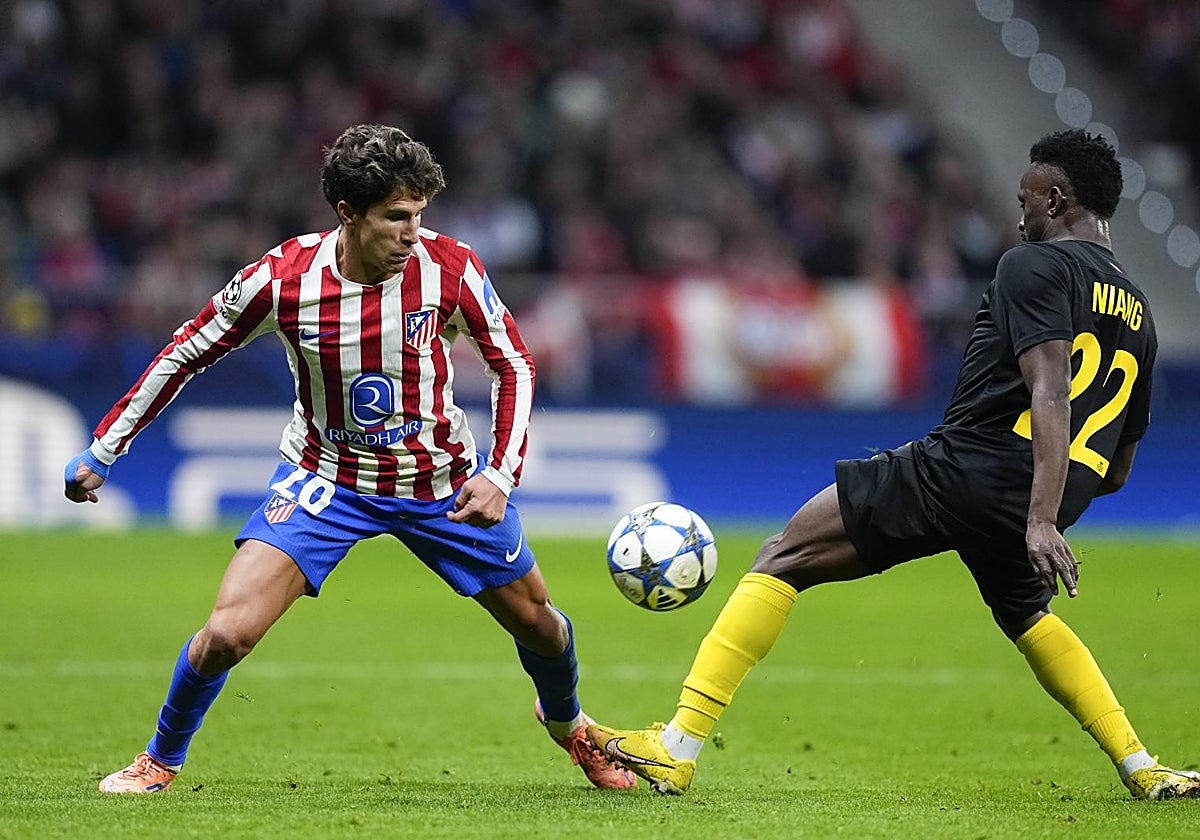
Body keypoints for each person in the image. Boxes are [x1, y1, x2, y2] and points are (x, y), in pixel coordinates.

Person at [587, 129, 1200, 801]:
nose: (1017, 210)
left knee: (782, 556)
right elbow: (1117, 470)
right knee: (1028, 617)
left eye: (1025, 197)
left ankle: (677, 748)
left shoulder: (1033, 267)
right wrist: (1045, 511)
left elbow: (1048, 385)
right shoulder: (1139, 312)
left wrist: (1037, 514)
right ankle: (1141, 766)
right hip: (1037, 494)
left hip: (972, 469)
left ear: (1056, 199)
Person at [64, 124, 634, 793]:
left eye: (419, 215)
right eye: (396, 217)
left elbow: (513, 364)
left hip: (439, 483)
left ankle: (571, 728)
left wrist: (500, 475)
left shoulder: (450, 269)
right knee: (226, 635)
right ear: (348, 213)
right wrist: (105, 449)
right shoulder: (283, 280)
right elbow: (185, 350)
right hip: (326, 480)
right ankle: (159, 759)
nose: (412, 233)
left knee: (544, 628)